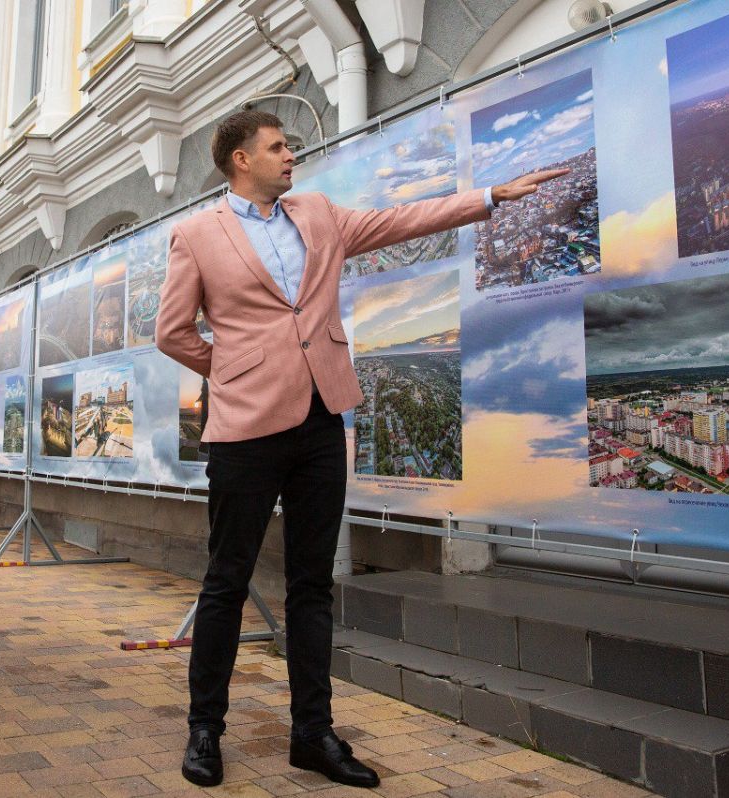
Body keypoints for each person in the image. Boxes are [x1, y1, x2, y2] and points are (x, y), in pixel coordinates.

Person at [156, 110, 567, 789]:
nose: (292, 155)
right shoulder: (196, 235)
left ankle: (312, 734)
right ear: (240, 161)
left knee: (313, 584)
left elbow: (401, 220)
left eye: (289, 145)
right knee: (227, 582)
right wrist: (233, 374)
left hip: (321, 419)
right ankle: (206, 729)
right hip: (245, 432)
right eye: (277, 147)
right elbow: (173, 332)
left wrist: (491, 197)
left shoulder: (317, 212)